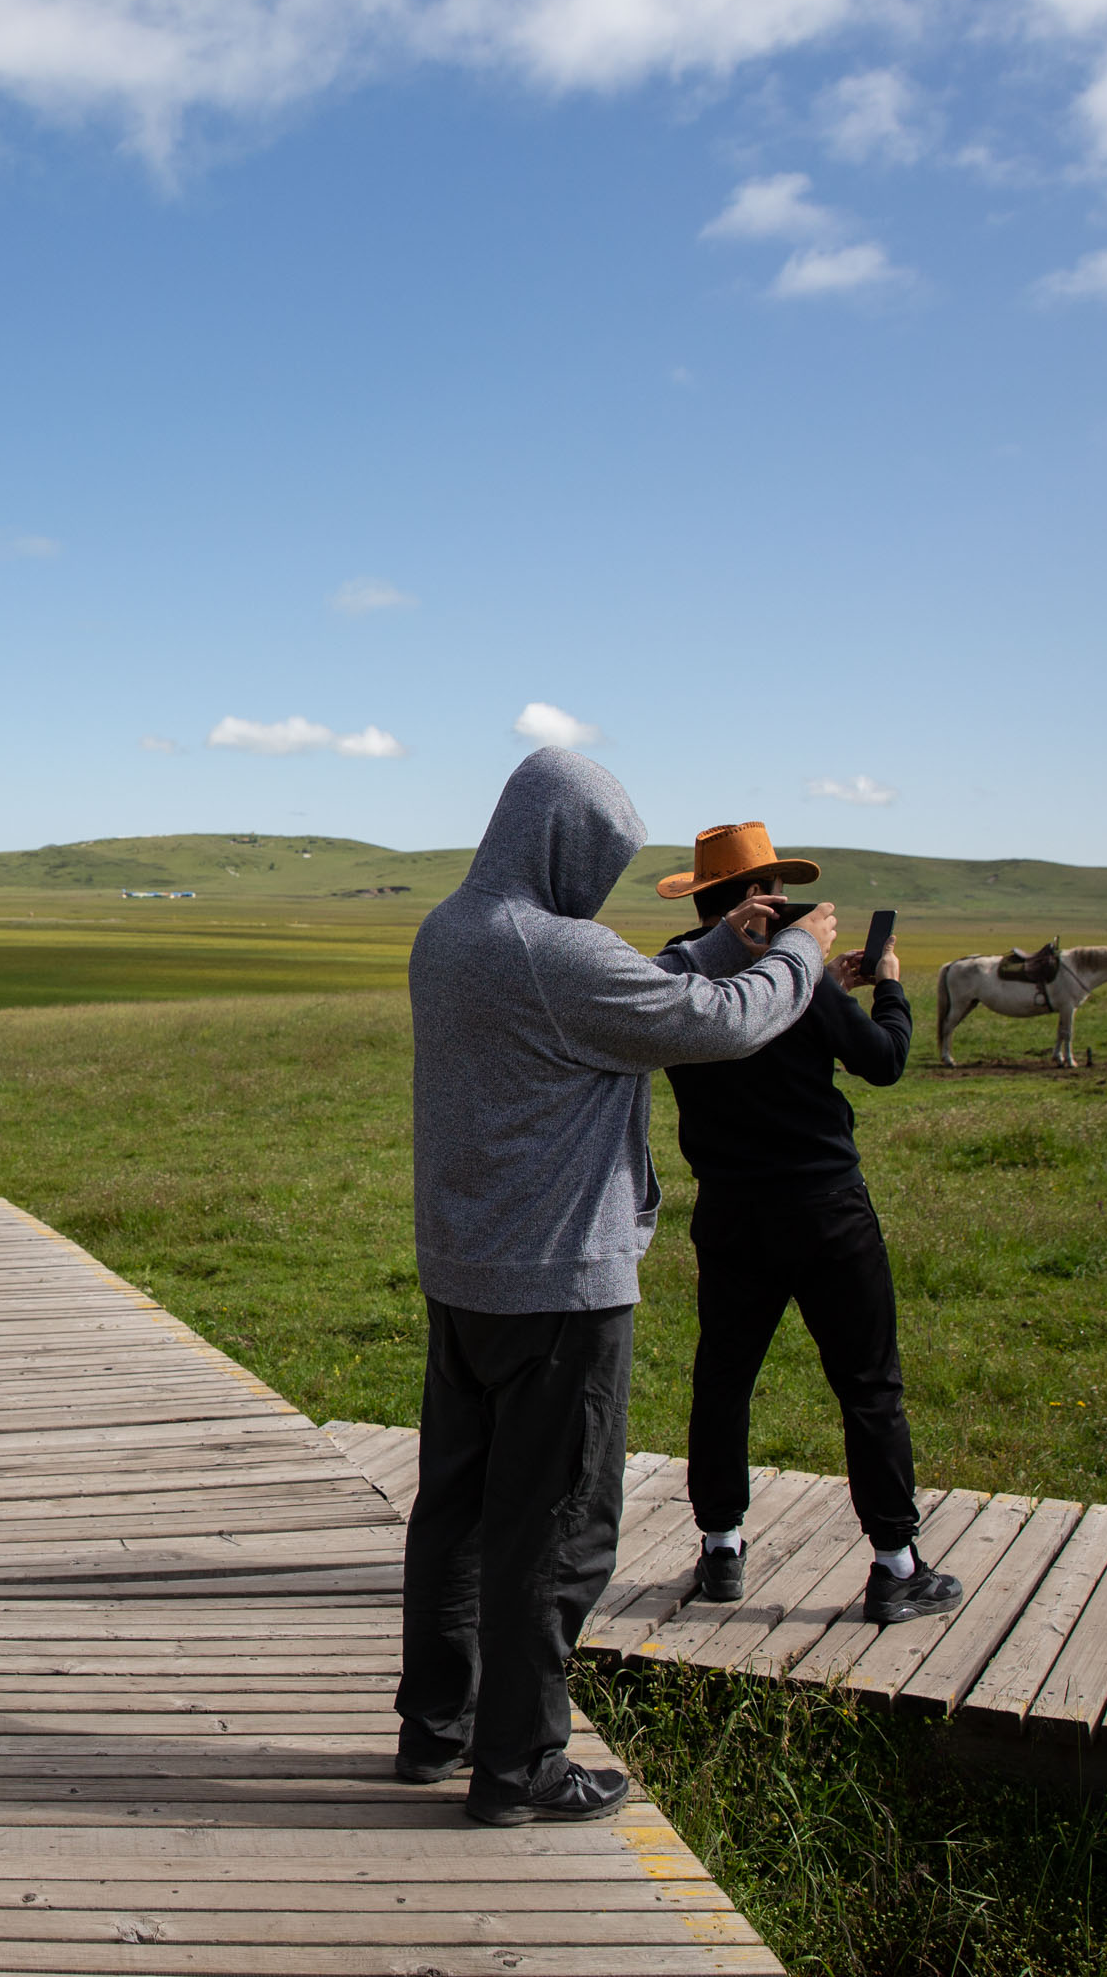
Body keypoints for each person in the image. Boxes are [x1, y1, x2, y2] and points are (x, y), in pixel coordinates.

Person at [401, 748, 835, 1828]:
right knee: (555, 1532)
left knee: (455, 1517)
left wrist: (703, 949)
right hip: (560, 1289)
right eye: (598, 859)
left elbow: (614, 1002)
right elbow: (714, 1024)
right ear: (563, 848)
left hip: (466, 1278)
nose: (597, 883)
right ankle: (521, 1765)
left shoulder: (449, 933)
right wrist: (798, 955)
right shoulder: (556, 951)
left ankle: (435, 1728)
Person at [657, 824, 962, 1628]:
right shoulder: (793, 978)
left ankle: (720, 1549)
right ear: (762, 896)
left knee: (724, 1378)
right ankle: (896, 1564)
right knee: (867, 1386)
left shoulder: (682, 970)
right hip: (825, 1209)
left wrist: (822, 980)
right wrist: (886, 985)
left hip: (729, 1211)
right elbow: (884, 1059)